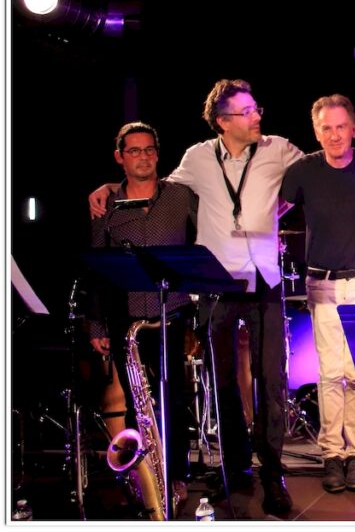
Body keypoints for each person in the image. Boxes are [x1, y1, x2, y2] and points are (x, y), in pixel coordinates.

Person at [88, 79, 355, 516]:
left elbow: (327, 156)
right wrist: (109, 187)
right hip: (217, 284)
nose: (257, 116)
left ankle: (273, 474)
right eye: (247, 111)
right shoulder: (197, 157)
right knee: (224, 385)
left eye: (256, 109)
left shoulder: (279, 148)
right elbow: (157, 186)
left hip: (264, 280)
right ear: (222, 121)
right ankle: (235, 471)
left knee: (271, 383)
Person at [280, 94, 355, 494]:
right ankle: (332, 455)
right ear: (316, 132)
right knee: (330, 373)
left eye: (341, 126)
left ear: (353, 129)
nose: (334, 134)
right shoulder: (304, 170)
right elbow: (274, 209)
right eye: (326, 128)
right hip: (322, 280)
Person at [86, 121, 197, 504]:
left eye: (149, 149)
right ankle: (146, 479)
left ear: (158, 154)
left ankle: (176, 477)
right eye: (134, 150)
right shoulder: (104, 204)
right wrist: (96, 323)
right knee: (138, 401)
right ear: (120, 157)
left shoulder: (181, 196)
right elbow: (97, 267)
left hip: (172, 312)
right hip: (125, 316)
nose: (143, 157)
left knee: (174, 398)